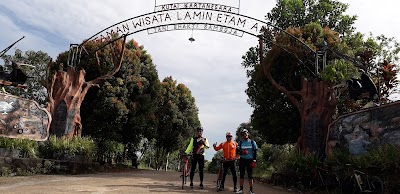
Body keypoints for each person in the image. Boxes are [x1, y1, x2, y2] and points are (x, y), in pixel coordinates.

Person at [236, 129, 258, 194]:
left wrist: (254, 160)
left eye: (245, 134)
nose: (244, 135)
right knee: (241, 175)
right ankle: (241, 189)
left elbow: (255, 151)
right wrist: (241, 152)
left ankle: (251, 190)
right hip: (242, 160)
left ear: (248, 134)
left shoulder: (252, 142)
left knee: (250, 175)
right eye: (243, 134)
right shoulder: (240, 142)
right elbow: (237, 151)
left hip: (250, 160)